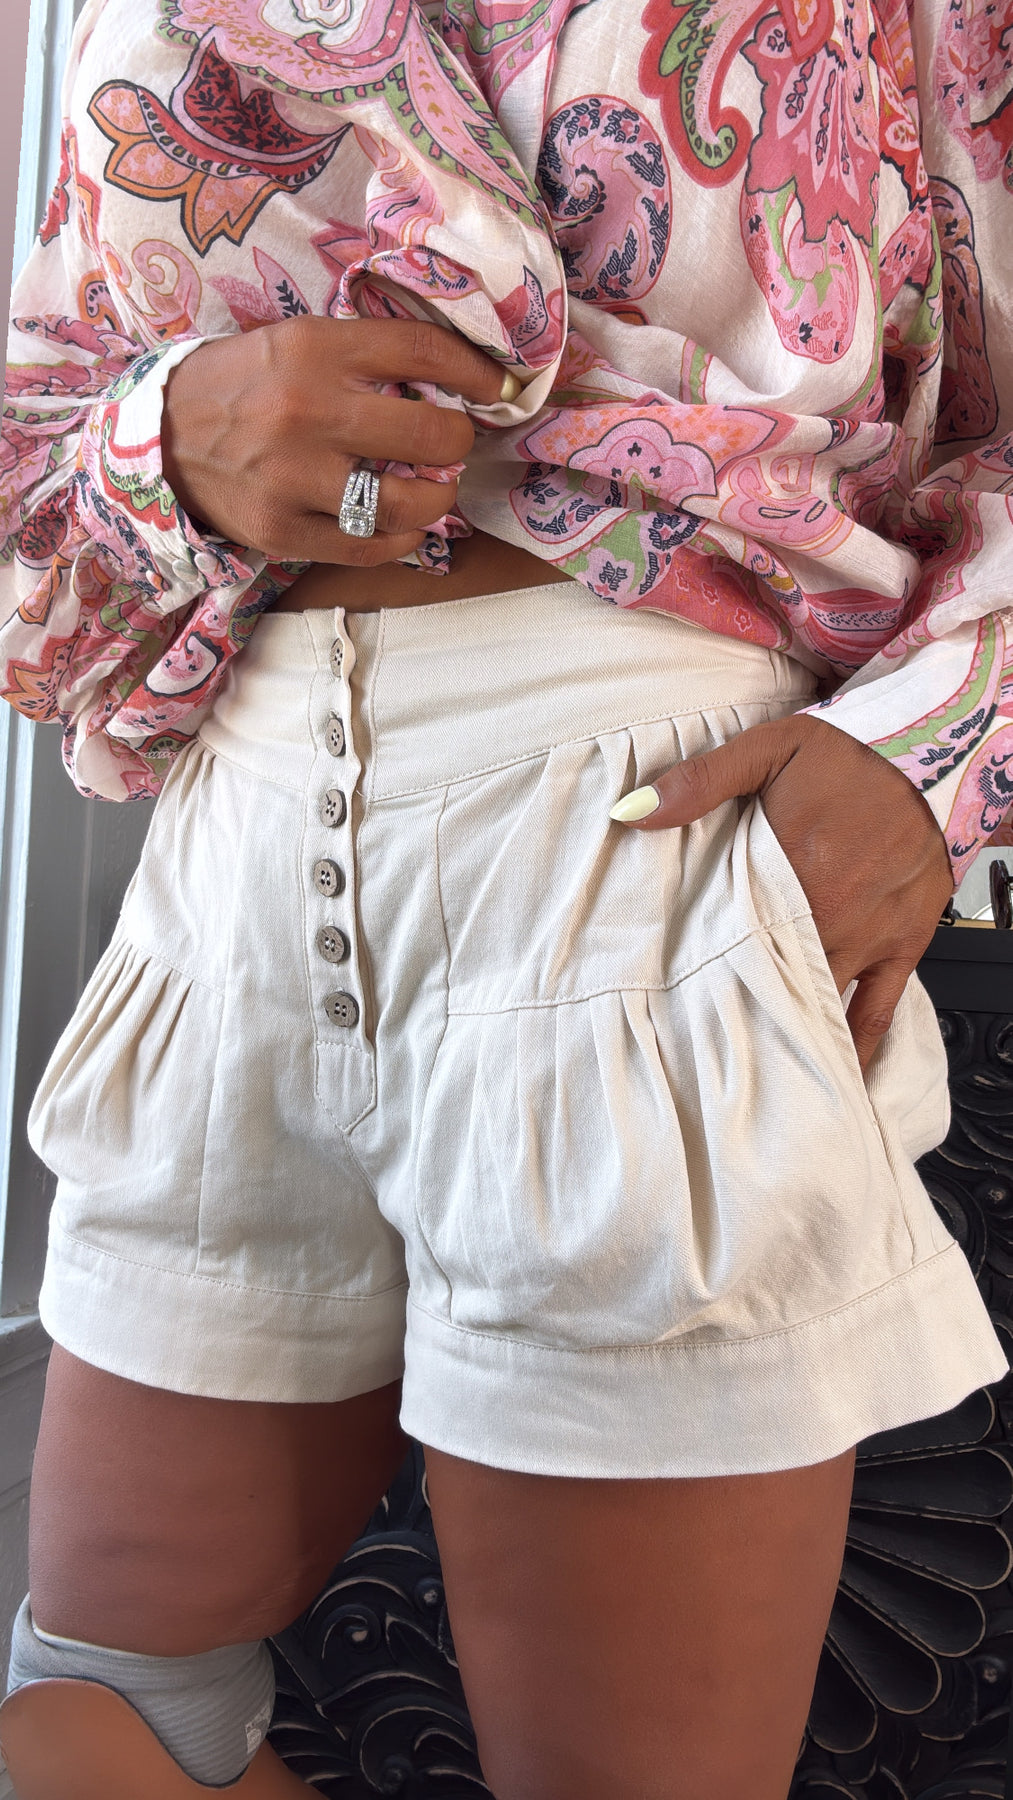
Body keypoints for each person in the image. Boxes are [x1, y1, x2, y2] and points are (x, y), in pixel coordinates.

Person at [0, 0, 1010, 1794]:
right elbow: (44, 430)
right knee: (98, 1719)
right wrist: (166, 439)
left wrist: (945, 744)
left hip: (643, 826)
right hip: (236, 843)